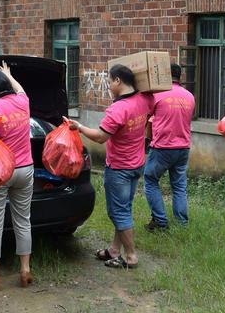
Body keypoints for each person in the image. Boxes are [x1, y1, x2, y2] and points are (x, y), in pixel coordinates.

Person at [67, 64, 151, 269]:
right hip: (136, 165)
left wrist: (79, 127)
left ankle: (130, 256)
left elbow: (100, 137)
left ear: (118, 81)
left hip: (120, 168)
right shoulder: (144, 100)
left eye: (109, 81)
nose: (108, 86)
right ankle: (114, 250)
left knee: (118, 212)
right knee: (124, 208)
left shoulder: (118, 109)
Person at [0, 61, 35, 290]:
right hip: (26, 169)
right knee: (23, 221)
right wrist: (9, 75)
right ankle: (25, 270)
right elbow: (20, 89)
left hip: (1, 171)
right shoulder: (23, 101)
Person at [143, 63, 195, 230]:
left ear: (164, 76)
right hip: (183, 148)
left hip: (163, 147)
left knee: (150, 180)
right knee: (179, 186)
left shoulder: (157, 95)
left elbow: (147, 118)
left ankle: (160, 221)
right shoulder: (189, 96)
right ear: (180, 76)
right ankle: (182, 224)